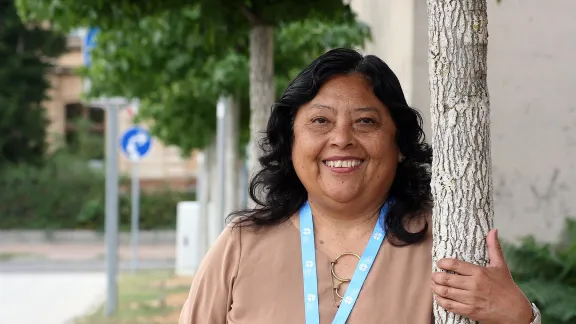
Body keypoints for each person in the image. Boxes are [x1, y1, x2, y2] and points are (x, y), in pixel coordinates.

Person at [178, 48, 541, 324]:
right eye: (320, 120)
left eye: (365, 121)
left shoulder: (446, 244)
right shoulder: (240, 245)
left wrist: (520, 317)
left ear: (399, 145)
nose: (341, 139)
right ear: (290, 143)